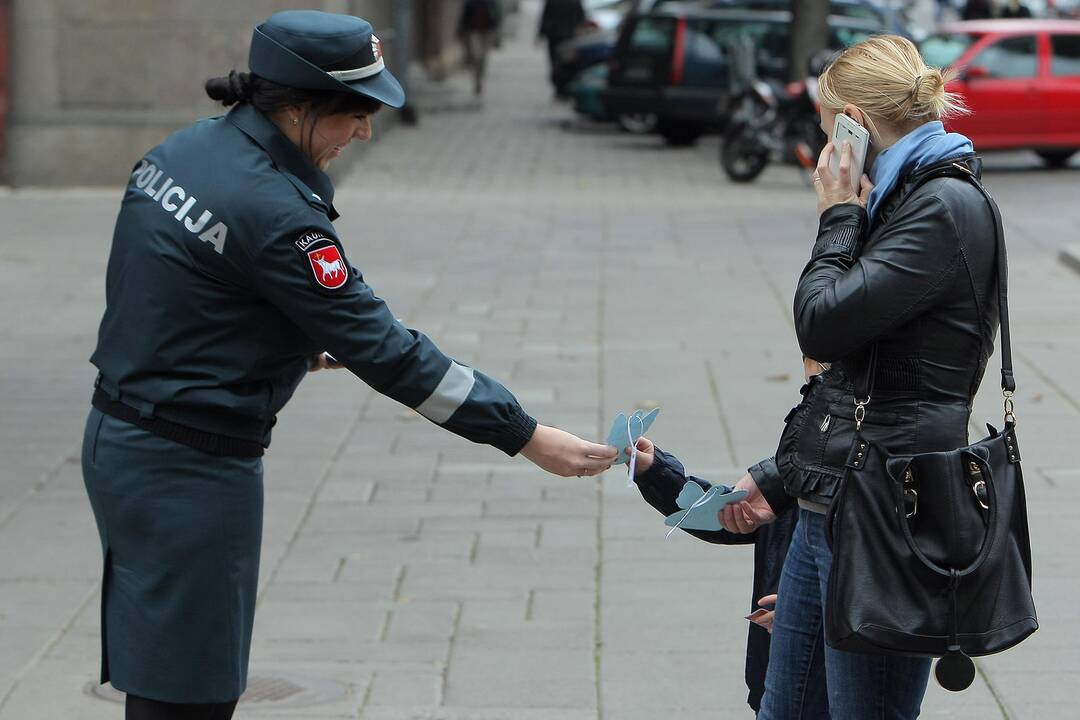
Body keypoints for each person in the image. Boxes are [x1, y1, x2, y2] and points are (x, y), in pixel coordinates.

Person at [82, 11, 617, 719]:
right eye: (357, 113)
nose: (365, 131)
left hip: (123, 440)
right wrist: (523, 433)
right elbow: (392, 354)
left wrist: (285, 340)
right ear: (301, 107)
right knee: (190, 696)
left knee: (164, 674)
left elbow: (170, 295)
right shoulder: (279, 213)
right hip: (192, 469)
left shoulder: (178, 156)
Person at [707, 35, 1001, 718]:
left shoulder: (939, 208)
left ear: (855, 126)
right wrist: (781, 475)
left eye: (827, 132)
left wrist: (837, 214)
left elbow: (822, 325)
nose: (823, 154)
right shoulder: (899, 198)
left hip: (886, 514)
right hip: (836, 502)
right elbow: (851, 377)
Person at [631, 444, 800, 713]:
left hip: (841, 669)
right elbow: (724, 517)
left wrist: (813, 606)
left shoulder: (866, 452)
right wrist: (653, 470)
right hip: (777, 677)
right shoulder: (802, 457)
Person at [538, 0, 585, 92]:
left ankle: (559, 85)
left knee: (556, 62)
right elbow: (581, 18)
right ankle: (563, 85)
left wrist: (542, 33)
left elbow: (545, 17)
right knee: (565, 63)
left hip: (556, 36)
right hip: (567, 36)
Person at [460, 0, 503, 96]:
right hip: (474, 31)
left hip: (487, 32)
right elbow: (465, 15)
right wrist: (461, 30)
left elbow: (498, 14)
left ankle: (480, 78)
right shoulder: (470, 2)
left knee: (483, 57)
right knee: (476, 55)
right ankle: (477, 79)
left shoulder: (491, 2)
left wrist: (496, 31)